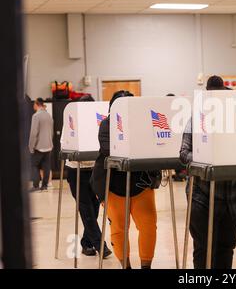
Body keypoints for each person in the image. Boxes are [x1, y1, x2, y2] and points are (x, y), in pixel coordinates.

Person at [179, 75, 236, 269]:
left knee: (226, 248)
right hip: (202, 197)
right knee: (203, 248)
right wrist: (208, 156)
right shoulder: (196, 119)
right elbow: (183, 154)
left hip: (235, 198)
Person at [91, 90, 159, 269]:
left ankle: (146, 266)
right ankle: (126, 266)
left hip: (141, 183)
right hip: (112, 185)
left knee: (149, 226)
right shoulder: (106, 124)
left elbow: (152, 147)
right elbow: (108, 150)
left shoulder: (144, 123)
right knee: (119, 229)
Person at [61, 95, 112, 258]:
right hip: (76, 171)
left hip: (94, 170)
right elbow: (64, 145)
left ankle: (86, 242)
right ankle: (100, 245)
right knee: (86, 209)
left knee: (95, 209)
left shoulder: (100, 121)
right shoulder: (71, 121)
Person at [29, 97, 54, 192]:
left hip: (39, 146)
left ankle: (35, 186)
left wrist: (31, 146)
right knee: (46, 166)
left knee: (34, 165)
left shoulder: (36, 116)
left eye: (34, 104)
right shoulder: (48, 115)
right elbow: (51, 131)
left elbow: (33, 133)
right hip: (48, 145)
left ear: (36, 104)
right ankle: (44, 185)